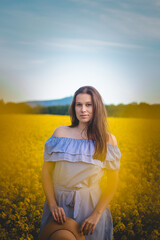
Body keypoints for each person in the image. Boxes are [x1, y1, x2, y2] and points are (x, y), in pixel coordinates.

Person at [39, 86, 121, 240]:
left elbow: (112, 182)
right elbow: (46, 173)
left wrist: (96, 215)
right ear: (74, 107)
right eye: (79, 104)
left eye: (88, 105)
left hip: (91, 210)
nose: (83, 109)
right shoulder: (60, 134)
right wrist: (53, 205)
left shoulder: (108, 140)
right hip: (59, 208)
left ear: (97, 107)